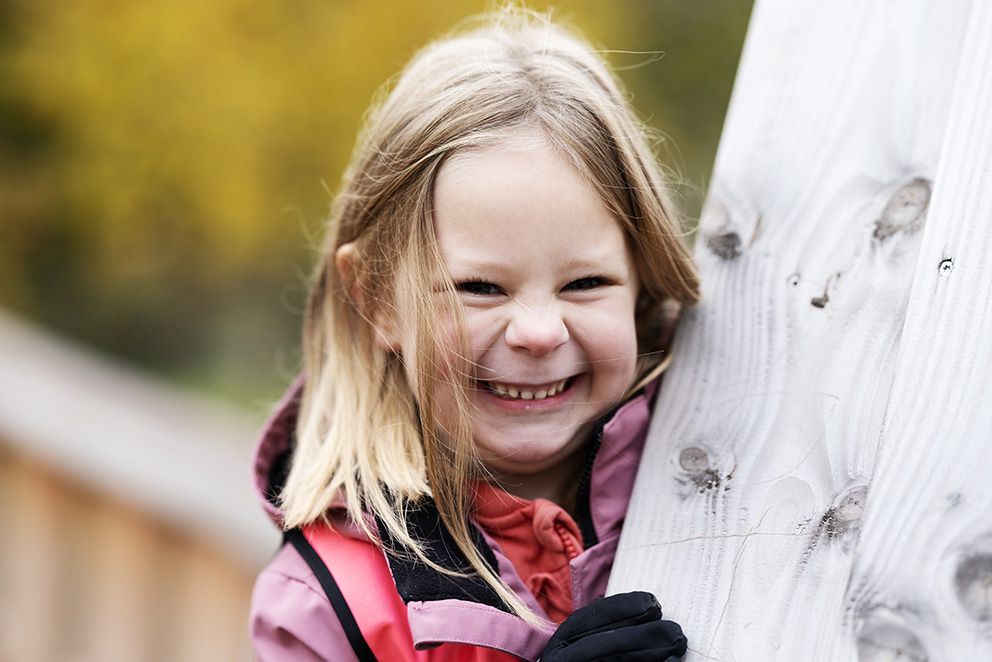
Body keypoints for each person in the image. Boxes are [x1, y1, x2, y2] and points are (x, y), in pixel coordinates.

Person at [249, 6, 700, 661]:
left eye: (586, 284)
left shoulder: (734, 468)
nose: (541, 332)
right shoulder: (323, 606)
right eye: (480, 288)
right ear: (377, 298)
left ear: (640, 282)